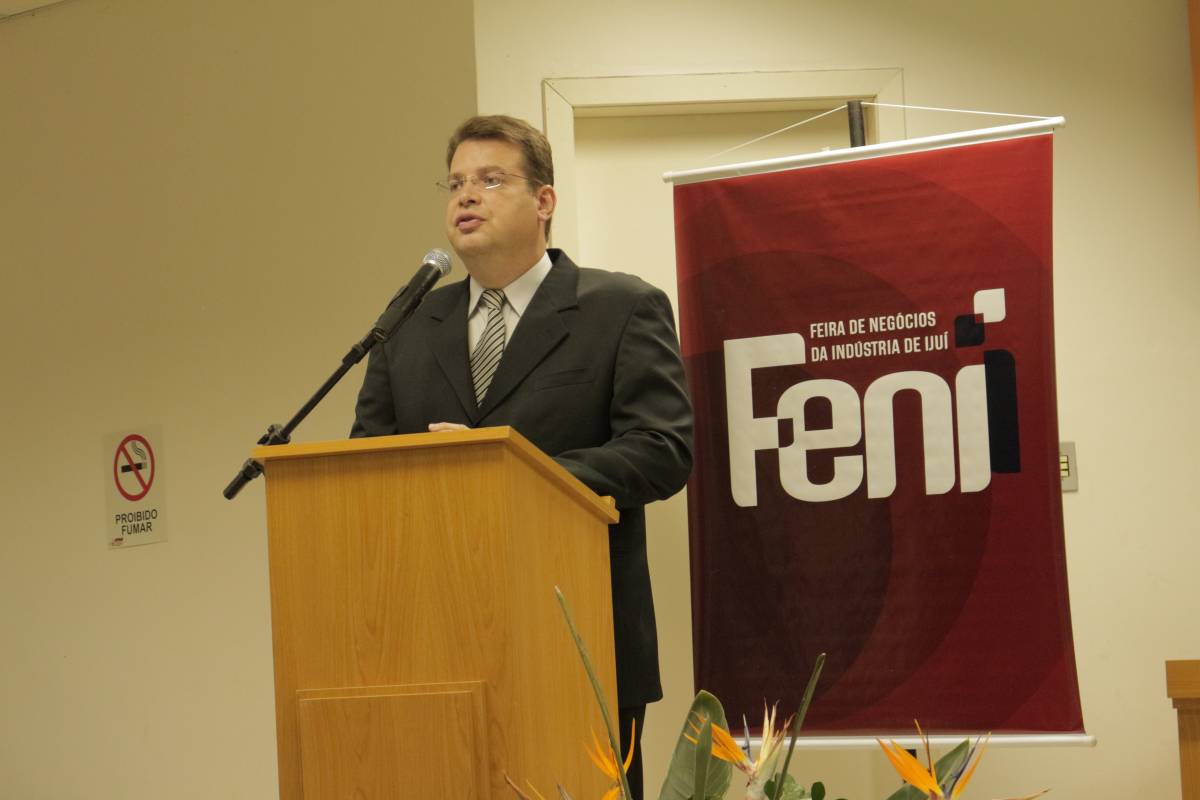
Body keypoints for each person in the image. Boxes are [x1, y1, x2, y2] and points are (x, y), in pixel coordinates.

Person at [350, 114, 693, 799]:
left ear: (544, 200)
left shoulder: (620, 307)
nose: (465, 195)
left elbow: (662, 449)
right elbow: (369, 471)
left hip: (580, 638)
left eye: (490, 179)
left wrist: (511, 470)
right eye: (455, 183)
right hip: (434, 643)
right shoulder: (407, 329)